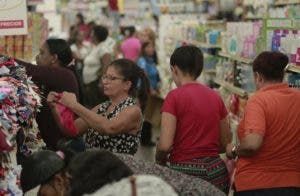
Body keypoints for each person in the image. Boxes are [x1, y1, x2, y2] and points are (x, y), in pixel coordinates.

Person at [156, 45, 232, 193]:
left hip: (184, 172)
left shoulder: (174, 97)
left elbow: (165, 145)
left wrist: (159, 160)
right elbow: (225, 141)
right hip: (216, 172)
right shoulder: (215, 96)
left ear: (174, 69)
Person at [226, 51, 300, 196]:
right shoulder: (298, 97)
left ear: (258, 76)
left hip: (256, 184)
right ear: (282, 75)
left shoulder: (259, 100)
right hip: (292, 184)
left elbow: (253, 143)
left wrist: (233, 150)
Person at [48, 59, 150, 155]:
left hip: (117, 170)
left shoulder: (133, 110)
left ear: (127, 85)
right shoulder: (102, 107)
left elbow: (109, 128)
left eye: (112, 78)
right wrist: (55, 108)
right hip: (94, 166)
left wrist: (74, 105)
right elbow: (73, 130)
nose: (105, 82)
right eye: (105, 77)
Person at [14, 39, 81, 151]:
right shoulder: (54, 76)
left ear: (54, 58)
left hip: (61, 143)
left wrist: (5, 60)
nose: (38, 57)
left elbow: (32, 70)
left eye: (42, 53)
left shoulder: (63, 74)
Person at [82, 25, 112, 108]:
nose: (90, 35)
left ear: (96, 35)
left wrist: (102, 82)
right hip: (90, 84)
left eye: (92, 33)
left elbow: (106, 66)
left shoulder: (103, 48)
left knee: (96, 108)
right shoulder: (96, 47)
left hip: (96, 84)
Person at [137, 41, 160, 146]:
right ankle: (145, 140)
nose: (151, 49)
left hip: (153, 90)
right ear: (144, 49)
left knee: (150, 114)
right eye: (148, 47)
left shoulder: (151, 60)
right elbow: (144, 75)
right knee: (147, 115)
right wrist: (151, 89)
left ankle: (147, 138)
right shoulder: (142, 60)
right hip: (146, 91)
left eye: (152, 47)